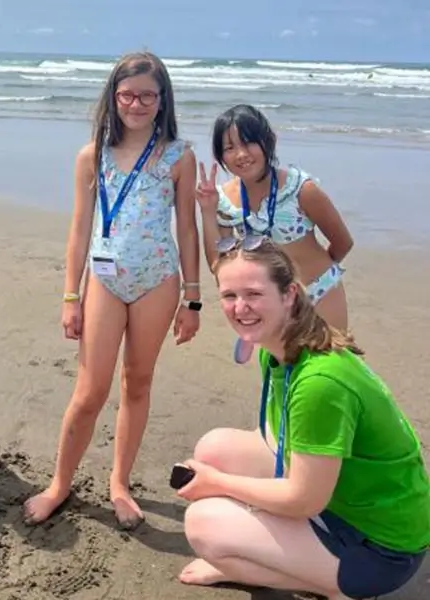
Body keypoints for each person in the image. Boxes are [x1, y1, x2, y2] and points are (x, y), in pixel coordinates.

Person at [175, 238, 428, 600]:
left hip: (383, 550)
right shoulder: (278, 348)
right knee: (215, 448)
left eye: (253, 294)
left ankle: (328, 584)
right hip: (347, 500)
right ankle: (278, 556)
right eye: (229, 296)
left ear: (290, 294)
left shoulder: (320, 383)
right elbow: (275, 441)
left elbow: (304, 500)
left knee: (204, 525)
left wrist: (220, 483)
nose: (240, 308)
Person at [23, 51, 201, 529]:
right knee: (90, 390)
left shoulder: (180, 157)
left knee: (137, 383)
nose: (137, 104)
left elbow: (187, 228)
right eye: (128, 94)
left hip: (157, 281)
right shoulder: (91, 155)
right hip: (103, 281)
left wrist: (193, 296)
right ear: (114, 97)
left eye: (147, 95)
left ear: (162, 100)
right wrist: (69, 295)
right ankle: (60, 484)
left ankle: (119, 484)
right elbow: (79, 228)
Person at [195, 104, 354, 364]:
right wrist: (208, 211)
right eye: (229, 147)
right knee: (283, 375)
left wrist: (316, 275)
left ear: (268, 141)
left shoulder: (301, 189)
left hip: (319, 291)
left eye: (249, 143)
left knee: (329, 369)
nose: (241, 154)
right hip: (269, 301)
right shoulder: (223, 199)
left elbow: (343, 242)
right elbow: (218, 265)